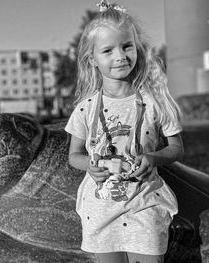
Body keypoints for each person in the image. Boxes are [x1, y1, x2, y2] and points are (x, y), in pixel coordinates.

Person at [64, 1, 184, 262]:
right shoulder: (85, 109)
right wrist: (90, 165)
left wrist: (153, 158)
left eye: (127, 46)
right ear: (92, 59)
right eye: (108, 50)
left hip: (144, 206)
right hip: (101, 210)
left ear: (137, 49)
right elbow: (74, 154)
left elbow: (176, 148)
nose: (120, 56)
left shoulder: (155, 102)